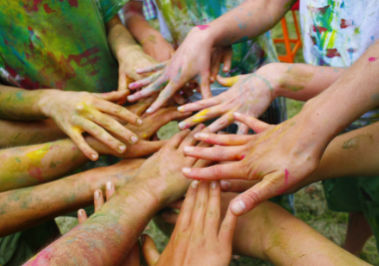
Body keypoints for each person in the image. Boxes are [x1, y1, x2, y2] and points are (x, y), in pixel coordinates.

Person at [0, 1, 159, 159]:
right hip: (53, 143)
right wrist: (46, 102)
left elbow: (111, 22)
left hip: (126, 113)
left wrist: (129, 50)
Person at [123, 0, 286, 134]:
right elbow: (131, 11)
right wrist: (151, 38)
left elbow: (269, 4)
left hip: (258, 79)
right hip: (193, 88)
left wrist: (220, 33)